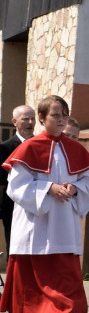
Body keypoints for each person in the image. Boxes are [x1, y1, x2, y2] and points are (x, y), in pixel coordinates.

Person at [1, 96, 89, 313]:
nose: (61, 119)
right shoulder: (28, 148)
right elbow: (17, 186)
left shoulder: (75, 148)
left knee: (65, 275)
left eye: (64, 114)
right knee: (27, 276)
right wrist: (48, 189)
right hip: (35, 224)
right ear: (42, 119)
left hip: (63, 225)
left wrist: (75, 189)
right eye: (55, 115)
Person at [1, 104, 36, 251]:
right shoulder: (4, 148)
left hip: (39, 205)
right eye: (25, 119)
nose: (30, 123)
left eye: (33, 119)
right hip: (14, 207)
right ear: (14, 122)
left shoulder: (42, 145)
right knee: (15, 249)